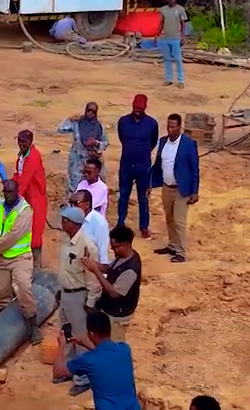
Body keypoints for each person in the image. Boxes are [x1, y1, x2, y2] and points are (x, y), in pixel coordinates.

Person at [0, 179, 39, 344]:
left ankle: (33, 326)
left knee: (23, 288)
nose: (7, 195)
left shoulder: (25, 211)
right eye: (5, 192)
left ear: (17, 192)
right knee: (3, 293)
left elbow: (11, 238)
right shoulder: (0, 205)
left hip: (19, 257)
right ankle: (5, 326)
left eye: (10, 192)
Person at [56, 206, 100, 395]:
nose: (61, 223)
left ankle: (83, 378)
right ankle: (68, 369)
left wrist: (90, 303)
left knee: (81, 338)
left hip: (79, 296)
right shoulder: (67, 241)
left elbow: (93, 279)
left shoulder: (87, 246)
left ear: (73, 224)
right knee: (67, 333)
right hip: (66, 294)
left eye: (64, 220)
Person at [151, 112, 200, 263]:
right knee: (169, 218)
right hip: (167, 187)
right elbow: (158, 165)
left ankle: (181, 252)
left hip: (181, 188)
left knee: (179, 221)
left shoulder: (188, 144)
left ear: (179, 127)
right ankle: (172, 245)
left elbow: (194, 168)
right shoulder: (163, 142)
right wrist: (151, 183)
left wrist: (194, 191)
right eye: (168, 126)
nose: (169, 129)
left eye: (173, 126)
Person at [83, 225, 141, 340]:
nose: (113, 250)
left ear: (126, 244)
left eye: (116, 247)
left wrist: (95, 271)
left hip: (117, 316)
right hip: (109, 310)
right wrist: (92, 263)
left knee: (114, 344)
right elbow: (109, 268)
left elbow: (114, 293)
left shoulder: (131, 269)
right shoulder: (122, 256)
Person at [115, 94, 159, 238]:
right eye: (135, 108)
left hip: (143, 167)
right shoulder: (123, 121)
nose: (137, 110)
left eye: (140, 108)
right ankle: (120, 223)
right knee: (123, 196)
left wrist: (142, 151)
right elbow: (122, 138)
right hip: (126, 165)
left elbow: (153, 142)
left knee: (143, 198)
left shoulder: (151, 124)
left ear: (145, 108)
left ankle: (144, 227)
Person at [14, 129, 48, 264]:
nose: (21, 144)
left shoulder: (33, 156)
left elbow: (24, 180)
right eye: (19, 141)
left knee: (35, 229)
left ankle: (36, 262)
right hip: (27, 197)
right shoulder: (22, 156)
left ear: (30, 142)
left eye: (24, 141)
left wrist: (15, 198)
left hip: (35, 198)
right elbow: (17, 176)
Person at [158, 0, 189, 88]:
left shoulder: (180, 9)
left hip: (176, 38)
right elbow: (161, 23)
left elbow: (183, 24)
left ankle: (180, 80)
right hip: (165, 37)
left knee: (177, 59)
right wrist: (157, 34)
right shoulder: (163, 10)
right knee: (167, 59)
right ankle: (168, 79)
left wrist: (183, 37)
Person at [70, 188, 109, 262]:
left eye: (76, 203)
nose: (72, 207)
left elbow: (102, 251)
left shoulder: (99, 222)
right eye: (71, 203)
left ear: (87, 204)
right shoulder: (72, 219)